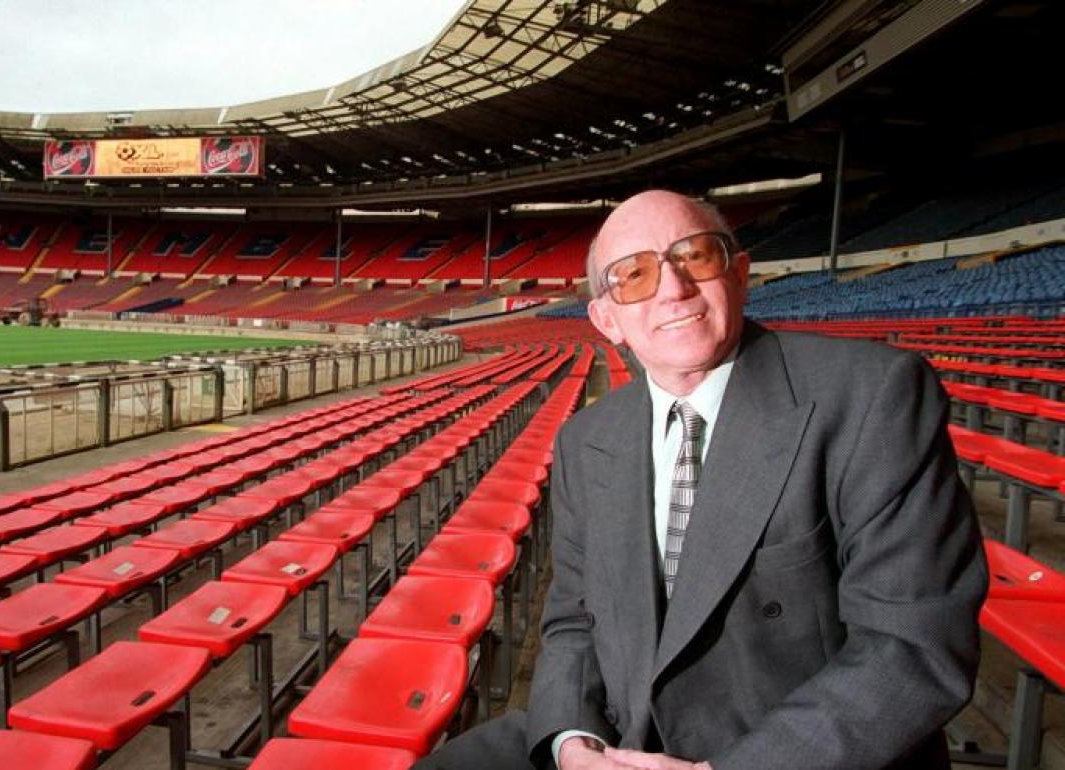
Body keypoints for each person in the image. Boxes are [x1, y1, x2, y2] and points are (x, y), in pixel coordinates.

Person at [415, 190, 986, 770]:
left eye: (695, 257)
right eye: (633, 274)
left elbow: (912, 645)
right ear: (606, 319)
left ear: (739, 274)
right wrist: (572, 742)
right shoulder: (587, 438)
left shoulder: (872, 395)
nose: (672, 288)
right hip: (621, 737)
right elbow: (573, 618)